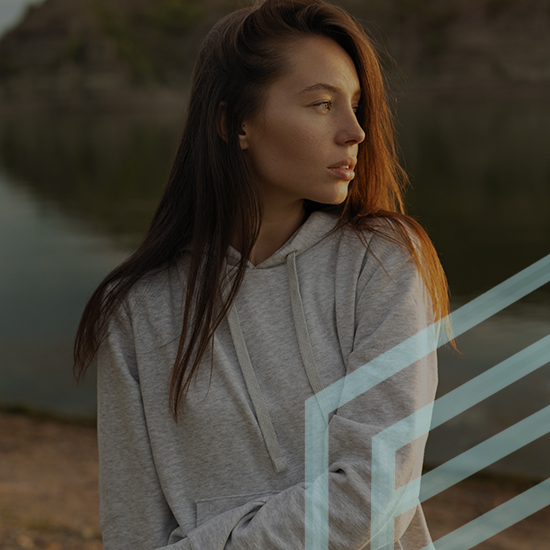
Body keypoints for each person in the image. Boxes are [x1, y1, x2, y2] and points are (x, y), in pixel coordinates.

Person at [73, 0, 457, 548]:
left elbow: (375, 499)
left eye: (355, 105)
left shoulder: (384, 262)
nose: (355, 132)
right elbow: (133, 524)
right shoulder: (136, 308)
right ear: (234, 123)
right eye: (322, 104)